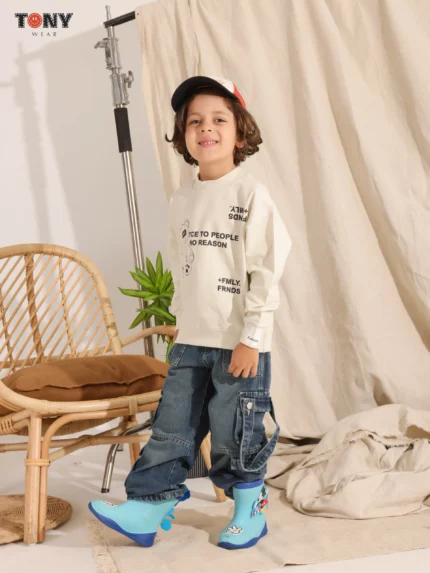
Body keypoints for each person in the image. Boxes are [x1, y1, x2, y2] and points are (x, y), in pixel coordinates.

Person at [89, 75, 293, 550]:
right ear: (183, 135)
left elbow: (266, 272)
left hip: (239, 344)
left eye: (219, 119)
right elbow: (183, 265)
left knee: (234, 431)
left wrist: (252, 338)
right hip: (191, 340)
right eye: (195, 121)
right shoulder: (183, 199)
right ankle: (147, 507)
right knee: (172, 427)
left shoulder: (251, 195)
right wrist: (181, 319)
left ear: (240, 133)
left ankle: (249, 511)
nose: (206, 128)